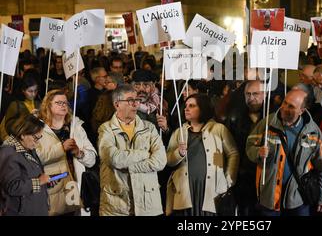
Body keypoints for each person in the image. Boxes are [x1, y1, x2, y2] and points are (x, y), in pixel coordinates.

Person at [246, 89, 322, 216]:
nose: (284, 108)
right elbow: (249, 146)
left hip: (299, 198)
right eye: (284, 103)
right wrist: (258, 152)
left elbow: (321, 166)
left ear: (302, 110)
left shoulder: (313, 132)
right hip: (270, 195)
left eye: (291, 106)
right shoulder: (267, 124)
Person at [98, 84, 167, 216]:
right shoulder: (105, 129)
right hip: (117, 207)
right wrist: (145, 154)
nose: (136, 104)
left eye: (137, 100)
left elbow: (160, 161)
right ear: (117, 104)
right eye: (130, 100)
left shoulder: (150, 128)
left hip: (148, 205)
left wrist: (130, 167)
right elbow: (114, 159)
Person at [166, 93, 239, 216]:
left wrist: (228, 180)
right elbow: (168, 159)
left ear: (203, 108)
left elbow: (233, 153)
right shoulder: (179, 132)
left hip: (211, 190)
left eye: (192, 106)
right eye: (186, 105)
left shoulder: (218, 129)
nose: (186, 108)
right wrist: (178, 153)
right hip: (185, 190)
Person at [37, 89, 97, 216]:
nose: (64, 105)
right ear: (48, 105)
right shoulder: (38, 129)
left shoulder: (76, 127)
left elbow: (92, 160)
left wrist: (79, 153)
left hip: (73, 186)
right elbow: (36, 158)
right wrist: (61, 148)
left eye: (65, 103)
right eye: (59, 103)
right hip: (51, 187)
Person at [225, 80, 265, 215]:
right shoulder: (235, 116)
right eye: (248, 94)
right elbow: (230, 146)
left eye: (256, 94)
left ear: (264, 94)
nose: (251, 98)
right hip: (243, 174)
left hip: (265, 174)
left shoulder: (272, 117)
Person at [0, 115, 49, 216]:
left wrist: (47, 181)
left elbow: (30, 177)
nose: (37, 143)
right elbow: (12, 187)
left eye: (39, 138)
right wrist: (39, 181)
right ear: (23, 134)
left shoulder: (29, 149)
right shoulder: (8, 152)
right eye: (35, 138)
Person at [0, 75, 41, 142]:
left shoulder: (39, 104)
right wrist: (29, 117)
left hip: (37, 139)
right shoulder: (15, 104)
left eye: (35, 91)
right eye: (30, 91)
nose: (33, 94)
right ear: (23, 90)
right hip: (20, 140)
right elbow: (9, 126)